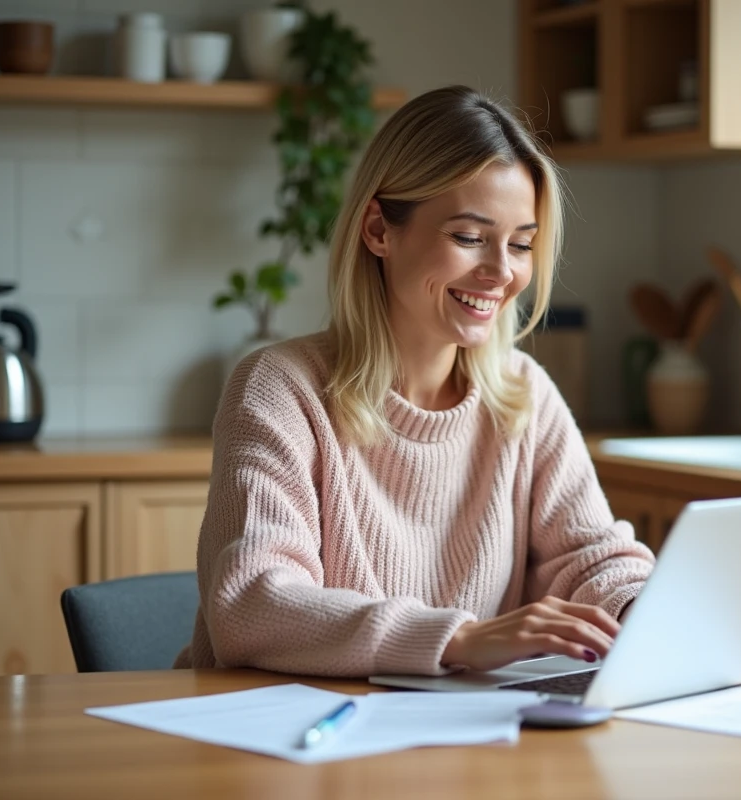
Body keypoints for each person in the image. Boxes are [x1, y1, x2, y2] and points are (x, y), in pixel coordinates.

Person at [175, 85, 655, 678]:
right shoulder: (280, 390)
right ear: (378, 229)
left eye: (522, 244)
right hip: (284, 747)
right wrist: (460, 639)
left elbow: (591, 557)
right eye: (469, 237)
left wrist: (642, 610)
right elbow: (253, 604)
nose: (502, 273)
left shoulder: (522, 395)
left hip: (457, 747)